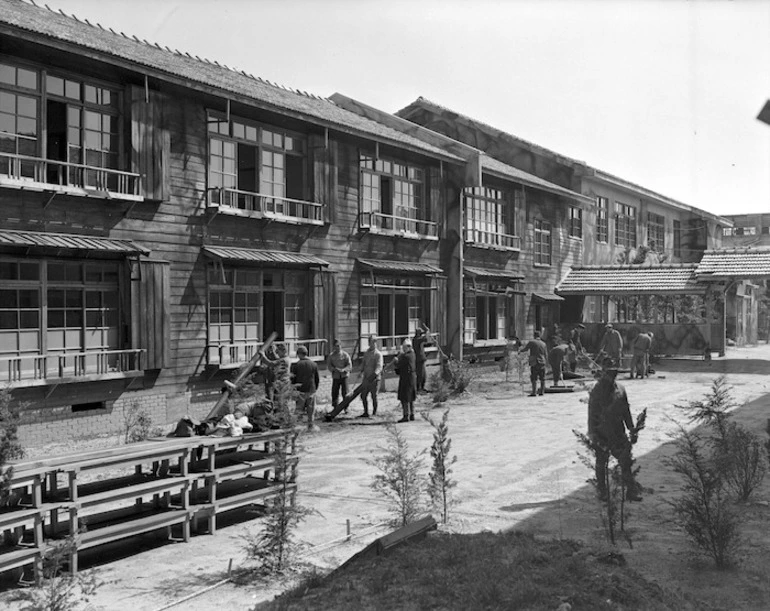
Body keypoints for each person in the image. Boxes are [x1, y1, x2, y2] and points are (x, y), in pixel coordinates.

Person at [587, 364, 642, 501]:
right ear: (603, 373)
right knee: (601, 463)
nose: (612, 376)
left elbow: (626, 411)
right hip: (602, 433)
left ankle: (631, 491)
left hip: (618, 433)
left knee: (625, 461)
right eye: (609, 372)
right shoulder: (597, 391)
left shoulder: (621, 389)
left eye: (614, 373)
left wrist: (632, 429)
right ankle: (602, 492)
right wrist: (593, 434)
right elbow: (592, 414)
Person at [290, 345, 320, 432]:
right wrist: (315, 389)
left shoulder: (296, 365)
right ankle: (311, 425)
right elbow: (316, 379)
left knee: (299, 409)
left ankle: (297, 426)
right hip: (311, 390)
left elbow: (293, 379)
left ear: (299, 354)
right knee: (311, 409)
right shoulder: (314, 364)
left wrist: (294, 390)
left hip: (300, 391)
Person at [359, 335, 383, 417]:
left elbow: (379, 367)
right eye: (370, 342)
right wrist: (361, 371)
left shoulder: (378, 354)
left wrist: (374, 375)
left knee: (374, 396)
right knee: (363, 395)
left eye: (373, 342)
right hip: (366, 378)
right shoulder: (366, 353)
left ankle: (374, 412)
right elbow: (363, 363)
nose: (372, 343)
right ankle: (366, 412)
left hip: (374, 379)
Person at [519, 329, 547, 396]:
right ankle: (542, 391)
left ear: (534, 335)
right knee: (542, 378)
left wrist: (520, 350)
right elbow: (546, 354)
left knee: (534, 377)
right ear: (540, 335)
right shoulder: (544, 343)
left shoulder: (532, 342)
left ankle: (534, 392)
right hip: (542, 362)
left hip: (535, 362)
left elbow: (525, 349)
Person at [395, 338, 417, 422]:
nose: (403, 348)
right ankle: (412, 414)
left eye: (404, 347)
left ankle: (406, 415)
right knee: (411, 397)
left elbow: (398, 365)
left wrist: (396, 361)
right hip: (412, 377)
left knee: (405, 397)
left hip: (406, 378)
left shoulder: (405, 356)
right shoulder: (413, 354)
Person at [327, 339, 352, 412]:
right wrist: (334, 369)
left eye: (338, 346)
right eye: (335, 346)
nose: (337, 348)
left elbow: (349, 365)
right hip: (336, 376)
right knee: (334, 392)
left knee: (345, 393)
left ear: (341, 346)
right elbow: (329, 366)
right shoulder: (331, 356)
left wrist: (344, 369)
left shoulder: (345, 355)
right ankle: (335, 407)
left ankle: (346, 407)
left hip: (344, 376)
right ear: (333, 347)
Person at [413, 327, 429, 392]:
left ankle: (422, 387)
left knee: (423, 374)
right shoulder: (416, 339)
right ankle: (419, 388)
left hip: (421, 359)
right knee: (420, 374)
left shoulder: (418, 339)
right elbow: (425, 338)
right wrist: (427, 331)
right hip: (418, 360)